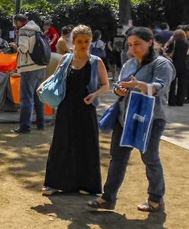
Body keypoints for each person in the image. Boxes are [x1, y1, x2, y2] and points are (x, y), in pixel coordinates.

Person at [88, 27, 175, 212]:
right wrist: (119, 90)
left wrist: (138, 85)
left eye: (137, 44)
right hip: (125, 116)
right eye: (130, 45)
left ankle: (156, 199)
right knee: (117, 157)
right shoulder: (129, 64)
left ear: (150, 42)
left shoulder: (161, 64)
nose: (133, 49)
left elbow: (160, 87)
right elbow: (119, 86)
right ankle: (108, 197)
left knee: (150, 158)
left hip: (152, 118)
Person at [39, 25, 110, 196]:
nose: (83, 45)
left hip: (86, 109)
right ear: (73, 42)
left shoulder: (96, 62)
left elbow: (106, 85)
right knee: (61, 143)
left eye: (86, 41)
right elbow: (54, 77)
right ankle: (54, 183)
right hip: (65, 107)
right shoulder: (65, 59)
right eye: (80, 41)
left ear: (91, 41)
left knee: (86, 145)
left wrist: (94, 95)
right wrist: (43, 85)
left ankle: (88, 185)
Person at [9, 14, 46, 134]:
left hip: (28, 68)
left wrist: (15, 46)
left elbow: (24, 48)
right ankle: (41, 124)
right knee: (39, 97)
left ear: (18, 22)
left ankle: (25, 127)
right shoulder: (37, 29)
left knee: (26, 98)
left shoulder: (24, 30)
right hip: (40, 66)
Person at [166, 29, 188, 107]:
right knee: (182, 85)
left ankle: (171, 102)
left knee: (172, 84)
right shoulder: (186, 44)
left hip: (173, 65)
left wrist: (167, 44)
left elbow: (166, 52)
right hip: (184, 66)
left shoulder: (173, 44)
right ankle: (180, 101)